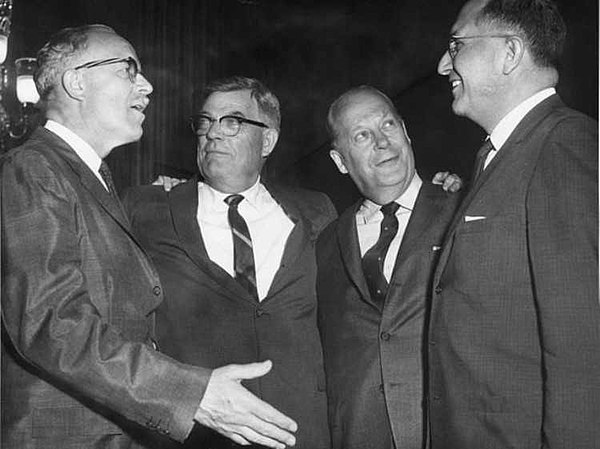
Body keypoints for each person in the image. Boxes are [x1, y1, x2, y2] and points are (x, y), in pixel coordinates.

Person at [1, 25, 297, 449]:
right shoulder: (33, 169)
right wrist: (189, 393)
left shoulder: (90, 179)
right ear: (77, 82)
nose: (147, 85)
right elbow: (53, 325)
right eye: (128, 70)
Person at [123, 76, 335, 449]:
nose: (213, 134)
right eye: (205, 122)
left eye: (232, 122)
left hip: (300, 430)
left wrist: (448, 193)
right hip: (199, 435)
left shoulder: (317, 211)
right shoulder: (147, 207)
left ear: (267, 139)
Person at [428, 0, 599, 447]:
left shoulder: (564, 145)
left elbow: (583, 347)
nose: (444, 64)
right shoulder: (499, 156)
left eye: (456, 45)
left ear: (509, 53)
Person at [316, 85, 462, 449]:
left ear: (406, 132)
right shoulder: (324, 244)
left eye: (389, 125)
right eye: (362, 135)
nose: (382, 142)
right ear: (339, 161)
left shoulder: (464, 209)